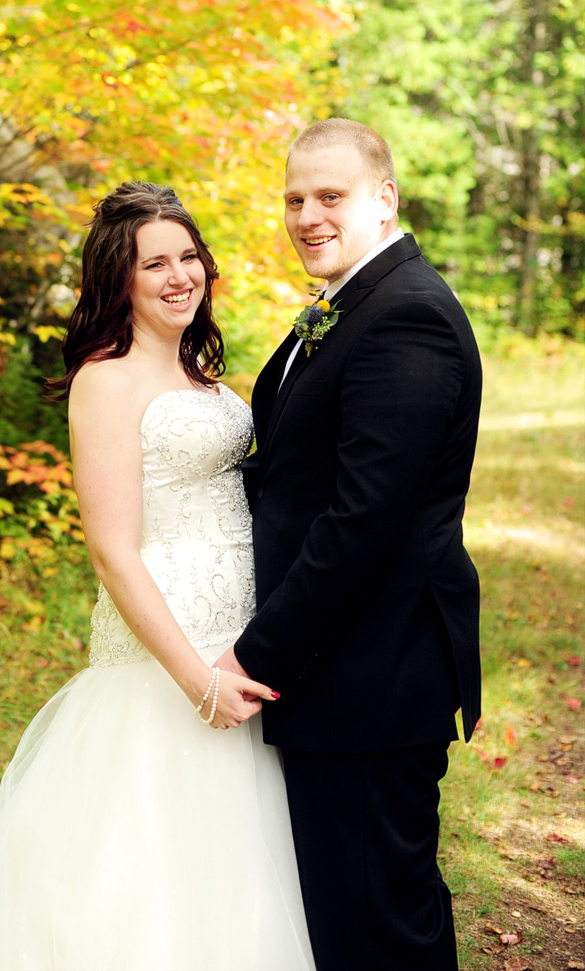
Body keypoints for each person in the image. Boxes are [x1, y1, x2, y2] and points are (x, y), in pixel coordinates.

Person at [0, 182, 315, 971]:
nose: (180, 276)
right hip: (165, 660)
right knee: (140, 871)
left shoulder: (200, 371)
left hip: (239, 640)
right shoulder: (105, 379)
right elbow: (113, 551)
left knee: (234, 866)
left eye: (190, 258)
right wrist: (196, 680)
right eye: (157, 263)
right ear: (120, 279)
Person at [216, 118, 482, 971]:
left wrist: (254, 655)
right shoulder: (349, 304)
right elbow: (293, 475)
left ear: (384, 198)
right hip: (343, 672)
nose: (306, 216)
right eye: (294, 199)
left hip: (372, 674)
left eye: (330, 196)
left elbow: (363, 524)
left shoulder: (409, 319)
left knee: (379, 921)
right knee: (342, 910)